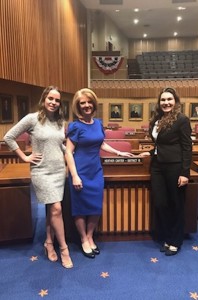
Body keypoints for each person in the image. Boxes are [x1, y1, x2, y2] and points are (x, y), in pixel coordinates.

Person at [4, 86, 73, 269]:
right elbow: (8, 137)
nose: (54, 102)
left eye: (57, 100)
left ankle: (49, 243)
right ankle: (64, 249)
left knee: (53, 209)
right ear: (44, 99)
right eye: (50, 98)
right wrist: (25, 156)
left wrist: (73, 155)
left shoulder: (60, 121)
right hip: (41, 171)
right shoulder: (31, 119)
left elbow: (60, 145)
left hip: (59, 170)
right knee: (56, 208)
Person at [65, 88, 134, 258]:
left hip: (95, 171)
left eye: (89, 102)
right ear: (78, 106)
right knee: (80, 208)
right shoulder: (75, 126)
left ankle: (89, 236)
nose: (87, 105)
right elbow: (68, 152)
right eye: (83, 103)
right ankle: (83, 239)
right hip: (80, 171)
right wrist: (74, 175)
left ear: (94, 104)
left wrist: (119, 152)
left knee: (95, 206)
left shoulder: (98, 123)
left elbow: (101, 144)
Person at [140, 87, 192, 256]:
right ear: (159, 102)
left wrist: (185, 173)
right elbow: (160, 144)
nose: (166, 103)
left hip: (175, 167)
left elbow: (187, 147)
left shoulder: (182, 120)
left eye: (169, 99)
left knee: (176, 204)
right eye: (163, 100)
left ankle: (175, 241)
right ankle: (168, 237)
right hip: (157, 166)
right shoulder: (157, 119)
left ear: (175, 101)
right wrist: (149, 152)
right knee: (161, 203)